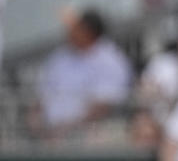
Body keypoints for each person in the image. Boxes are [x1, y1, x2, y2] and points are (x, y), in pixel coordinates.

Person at [33, 8, 133, 140]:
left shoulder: (112, 60)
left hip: (90, 135)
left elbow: (104, 106)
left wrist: (67, 129)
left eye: (76, 28)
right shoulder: (60, 56)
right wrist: (38, 126)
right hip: (49, 135)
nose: (69, 31)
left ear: (88, 32)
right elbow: (40, 97)